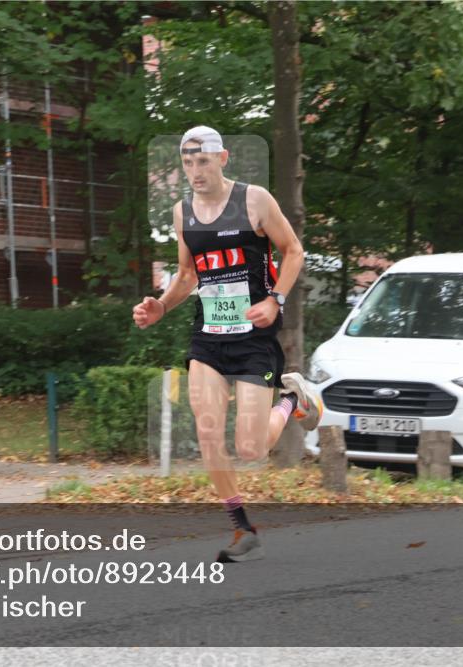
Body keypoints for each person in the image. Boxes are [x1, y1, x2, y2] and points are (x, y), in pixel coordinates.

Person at [132, 126, 323, 563]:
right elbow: (187, 276)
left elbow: (293, 251)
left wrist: (275, 301)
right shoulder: (183, 213)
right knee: (207, 428)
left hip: (254, 337)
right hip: (209, 339)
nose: (195, 171)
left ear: (223, 158)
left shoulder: (254, 200)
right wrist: (161, 306)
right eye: (187, 162)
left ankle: (292, 402)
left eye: (202, 161)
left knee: (252, 448)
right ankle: (243, 530)